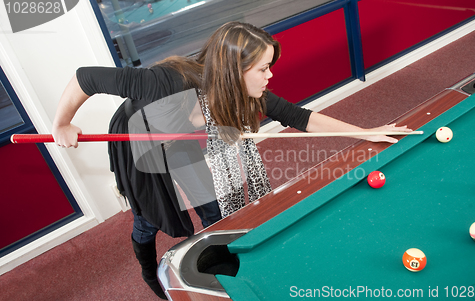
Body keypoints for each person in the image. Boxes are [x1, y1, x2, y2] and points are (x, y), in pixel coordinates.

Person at [52, 21, 411, 299]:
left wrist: (365, 130)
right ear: (232, 70)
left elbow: (299, 117)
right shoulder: (163, 82)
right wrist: (62, 123)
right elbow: (86, 77)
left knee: (218, 204)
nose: (270, 75)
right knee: (149, 214)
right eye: (263, 68)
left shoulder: (244, 93)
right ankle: (148, 269)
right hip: (145, 140)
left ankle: (226, 256)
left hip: (190, 141)